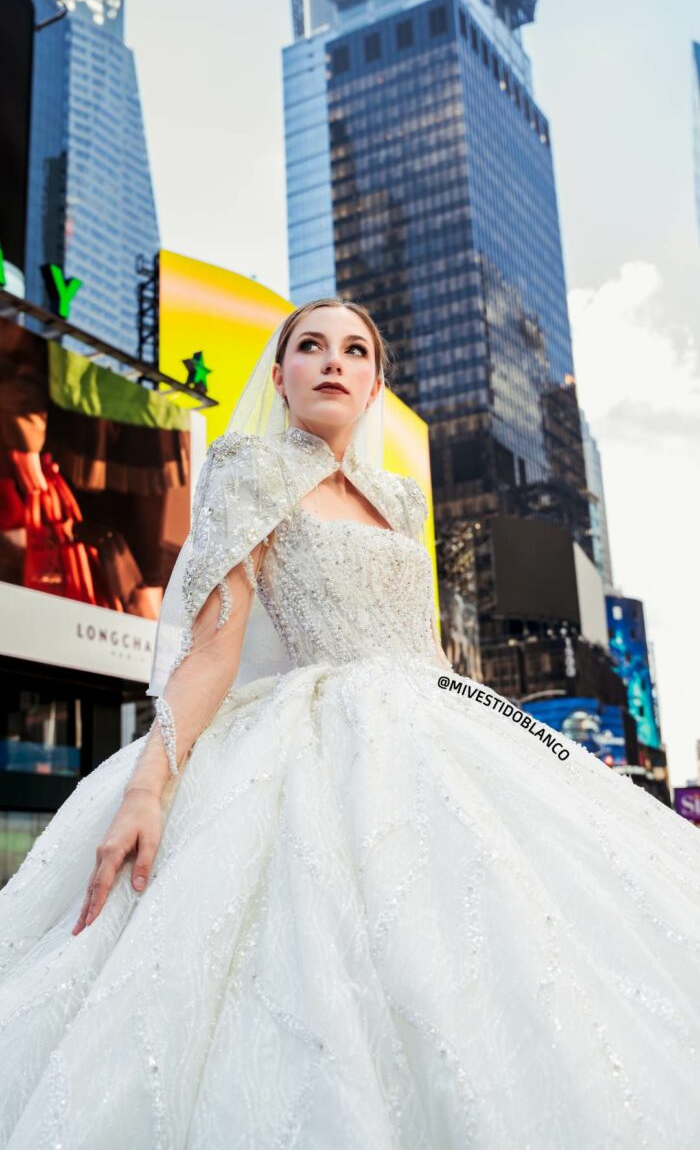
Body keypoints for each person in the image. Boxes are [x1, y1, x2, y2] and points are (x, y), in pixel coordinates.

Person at [1, 298, 699, 1150]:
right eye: (311, 346)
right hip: (316, 738)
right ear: (280, 374)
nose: (334, 361)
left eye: (355, 350)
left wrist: (521, 737)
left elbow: (428, 654)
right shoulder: (248, 468)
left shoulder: (398, 499)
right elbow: (215, 651)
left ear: (374, 384)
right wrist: (150, 784)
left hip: (435, 729)